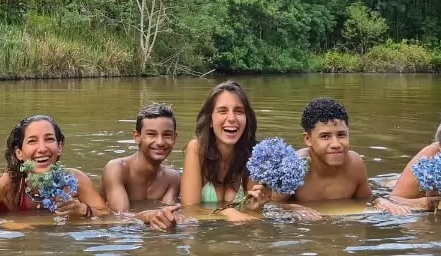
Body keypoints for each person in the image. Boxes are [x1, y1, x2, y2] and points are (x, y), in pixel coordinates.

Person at [0, 114, 110, 220]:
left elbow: (110, 218)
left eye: (49, 139)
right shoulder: (6, 184)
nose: (42, 148)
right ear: (19, 153)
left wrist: (83, 210)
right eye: (32, 141)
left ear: (60, 147)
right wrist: (3, 226)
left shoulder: (75, 180)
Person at [272, 97, 410, 215]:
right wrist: (290, 208)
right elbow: (269, 206)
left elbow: (366, 199)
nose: (336, 144)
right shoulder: (295, 167)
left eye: (341, 135)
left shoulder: (355, 163)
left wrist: (380, 200)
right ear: (308, 139)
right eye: (325, 136)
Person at [180, 81, 271, 222]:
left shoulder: (254, 155)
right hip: (203, 236)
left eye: (239, 111)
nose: (231, 118)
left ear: (247, 119)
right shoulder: (197, 149)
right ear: (210, 120)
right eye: (222, 111)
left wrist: (257, 207)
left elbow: (253, 217)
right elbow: (189, 210)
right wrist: (226, 213)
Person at [100, 103, 182, 231]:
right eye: (151, 134)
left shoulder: (173, 177)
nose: (160, 142)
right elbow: (118, 217)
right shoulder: (117, 168)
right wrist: (148, 215)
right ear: (137, 137)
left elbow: (168, 213)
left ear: (175, 138)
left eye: (167, 135)